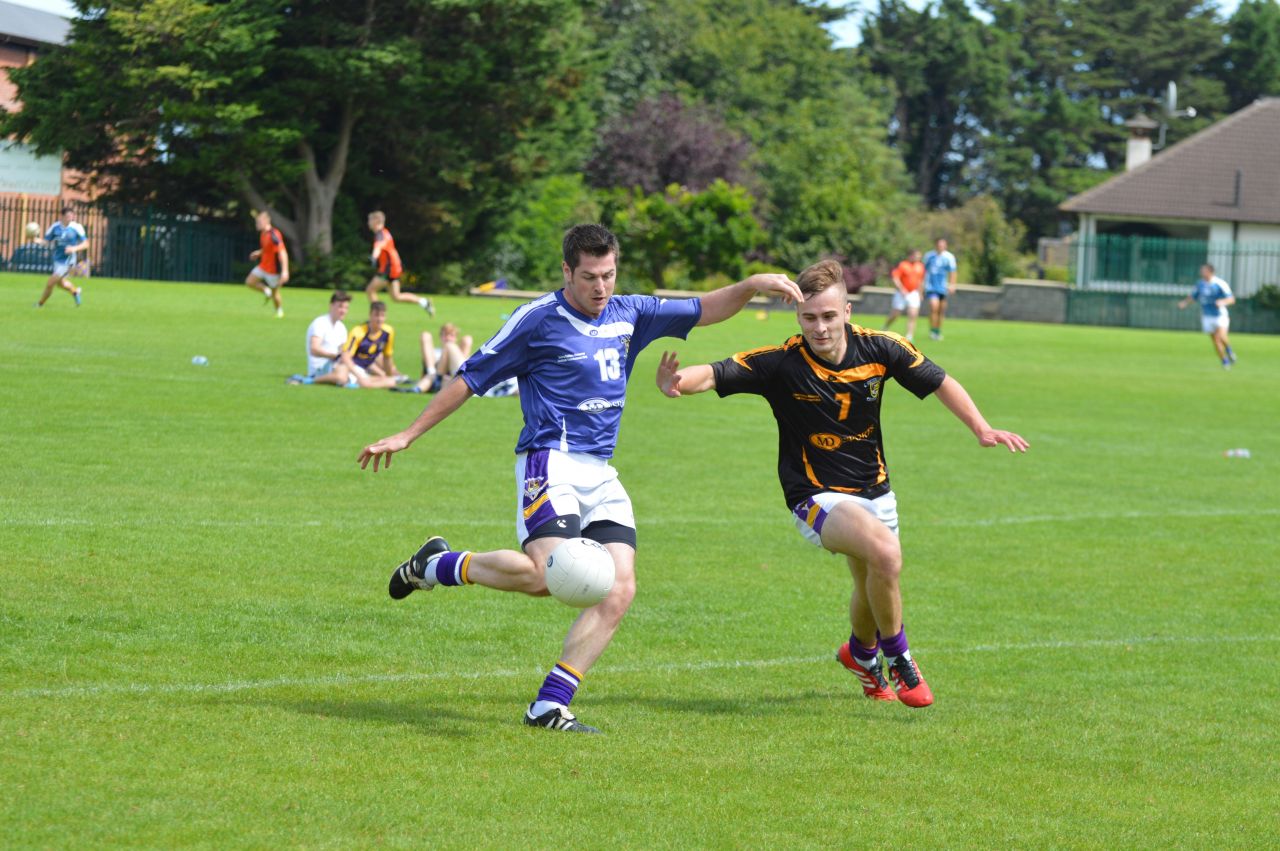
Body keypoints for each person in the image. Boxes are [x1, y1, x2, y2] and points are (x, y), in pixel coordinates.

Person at [357, 223, 802, 733]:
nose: (601, 287)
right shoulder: (537, 320)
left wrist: (749, 286)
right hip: (551, 461)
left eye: (609, 275)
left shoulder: (630, 312)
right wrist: (409, 434)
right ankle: (436, 565)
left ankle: (550, 704)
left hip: (601, 473)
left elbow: (704, 309)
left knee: (619, 587)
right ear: (567, 271)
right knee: (545, 576)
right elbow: (470, 377)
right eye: (589, 276)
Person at [654, 259, 1029, 708]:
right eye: (809, 317)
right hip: (815, 496)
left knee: (872, 579)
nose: (820, 327)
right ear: (798, 317)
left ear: (847, 311)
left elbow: (940, 381)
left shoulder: (882, 349)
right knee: (886, 555)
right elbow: (715, 373)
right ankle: (900, 660)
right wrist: (677, 382)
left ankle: (861, 655)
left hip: (876, 490)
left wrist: (981, 428)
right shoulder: (782, 363)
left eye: (829, 316)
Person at [365, 211, 434, 315]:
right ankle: (424, 302)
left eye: (370, 220)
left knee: (370, 290)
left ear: (376, 221)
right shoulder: (385, 232)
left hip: (388, 269)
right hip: (395, 267)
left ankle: (378, 315)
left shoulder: (380, 234)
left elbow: (378, 247)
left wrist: (373, 257)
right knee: (396, 297)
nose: (368, 223)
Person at [339, 301, 410, 389]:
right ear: (370, 315)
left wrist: (389, 375)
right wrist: (359, 376)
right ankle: (360, 383)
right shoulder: (358, 332)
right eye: (376, 315)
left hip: (366, 369)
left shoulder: (388, 332)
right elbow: (346, 357)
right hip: (351, 368)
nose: (379, 319)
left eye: (382, 315)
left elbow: (387, 357)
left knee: (390, 381)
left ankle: (365, 383)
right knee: (375, 382)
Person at [1178, 264, 1237, 369]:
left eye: (1204, 271)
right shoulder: (1200, 284)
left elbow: (1231, 299)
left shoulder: (1220, 284)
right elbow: (1194, 296)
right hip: (1207, 316)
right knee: (1215, 340)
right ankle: (1225, 361)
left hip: (1220, 315)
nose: (1201, 273)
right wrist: (1184, 303)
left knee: (1221, 336)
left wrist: (1222, 302)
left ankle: (1229, 350)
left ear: (1210, 272)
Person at [288, 290, 352, 386]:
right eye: (340, 307)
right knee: (342, 375)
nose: (343, 311)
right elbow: (314, 349)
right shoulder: (320, 323)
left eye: (346, 308)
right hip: (319, 368)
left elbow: (343, 350)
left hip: (334, 365)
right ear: (331, 306)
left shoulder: (341, 328)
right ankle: (310, 380)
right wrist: (333, 356)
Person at [34, 206, 88, 309]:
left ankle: (40, 304)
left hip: (69, 261)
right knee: (61, 284)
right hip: (57, 260)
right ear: (61, 216)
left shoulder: (76, 227)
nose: (70, 218)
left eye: (72, 216)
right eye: (68, 216)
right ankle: (76, 292)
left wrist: (74, 248)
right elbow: (46, 242)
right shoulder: (55, 227)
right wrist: (36, 240)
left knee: (50, 283)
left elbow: (86, 244)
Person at [246, 211, 289, 318]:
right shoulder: (263, 234)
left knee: (275, 293)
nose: (257, 225)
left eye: (259, 222)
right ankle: (266, 290)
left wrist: (285, 271)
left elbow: (282, 252)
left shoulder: (274, 235)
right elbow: (266, 248)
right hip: (263, 266)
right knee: (249, 282)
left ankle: (279, 311)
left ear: (266, 222)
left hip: (273, 271)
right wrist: (259, 253)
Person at [884, 249, 924, 341]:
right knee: (895, 314)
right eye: (917, 256)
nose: (918, 258)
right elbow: (895, 278)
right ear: (911, 256)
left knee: (913, 314)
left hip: (914, 293)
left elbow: (920, 281)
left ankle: (909, 336)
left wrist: (920, 293)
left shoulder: (920, 266)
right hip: (901, 293)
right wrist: (901, 289)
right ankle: (886, 326)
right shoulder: (903, 265)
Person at [923, 238, 957, 341]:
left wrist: (952, 285)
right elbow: (923, 270)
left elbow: (953, 272)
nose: (941, 247)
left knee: (941, 310)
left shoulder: (949, 257)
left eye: (943, 245)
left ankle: (937, 331)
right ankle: (932, 330)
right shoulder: (929, 256)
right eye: (939, 245)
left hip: (943, 287)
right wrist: (921, 285)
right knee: (934, 307)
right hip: (931, 287)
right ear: (936, 245)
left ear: (945, 246)